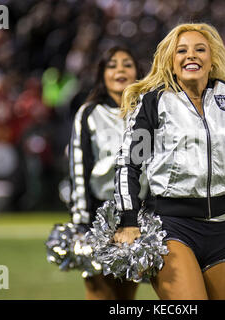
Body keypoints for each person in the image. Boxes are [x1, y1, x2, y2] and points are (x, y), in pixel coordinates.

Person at [113, 23, 225, 300]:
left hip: (220, 228)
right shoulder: (154, 102)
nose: (192, 56)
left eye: (201, 49)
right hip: (170, 225)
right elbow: (129, 163)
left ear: (212, 59)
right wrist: (128, 220)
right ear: (171, 62)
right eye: (182, 51)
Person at [68, 46, 147, 300]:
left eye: (127, 64)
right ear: (102, 73)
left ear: (138, 72)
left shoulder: (148, 111)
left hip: (139, 214)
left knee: (125, 296)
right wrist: (82, 220)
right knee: (99, 292)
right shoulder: (89, 113)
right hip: (99, 213)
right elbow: (79, 168)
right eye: (112, 65)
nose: (120, 70)